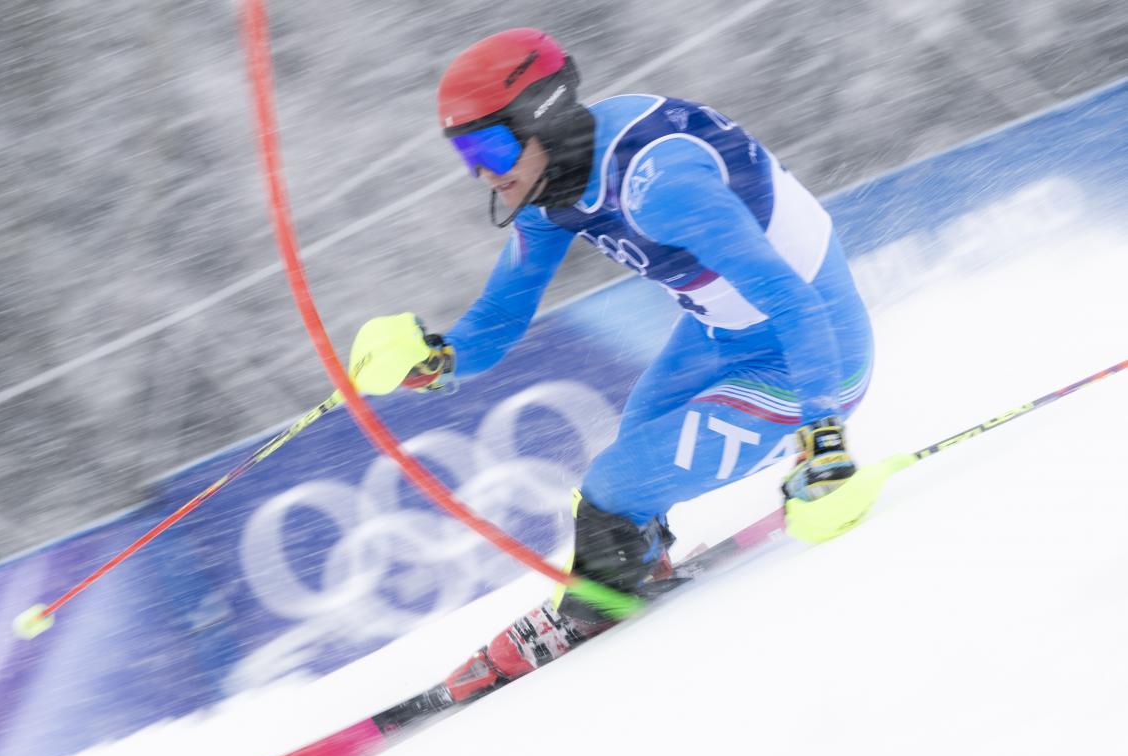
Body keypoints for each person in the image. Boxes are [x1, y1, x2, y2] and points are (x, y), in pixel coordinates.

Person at [349, 28, 875, 624]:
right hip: (724, 338)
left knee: (613, 491)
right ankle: (627, 569)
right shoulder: (555, 186)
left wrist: (823, 439)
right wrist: (435, 363)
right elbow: (501, 315)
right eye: (468, 157)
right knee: (625, 467)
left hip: (815, 353)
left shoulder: (661, 184)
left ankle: (591, 613)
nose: (486, 174)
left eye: (492, 150)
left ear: (541, 119)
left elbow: (792, 300)